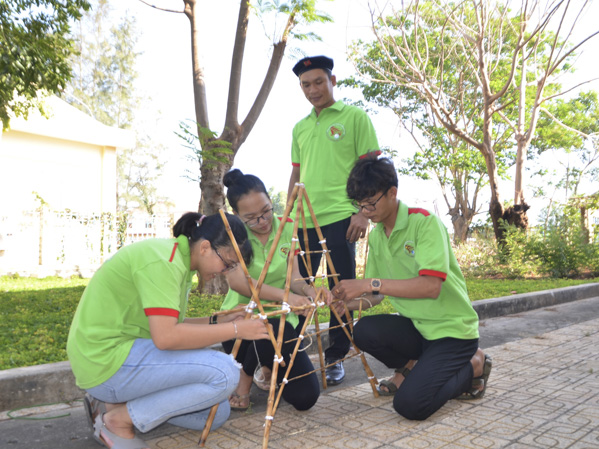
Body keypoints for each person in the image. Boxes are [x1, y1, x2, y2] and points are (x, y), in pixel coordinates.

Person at [67, 212, 270, 449]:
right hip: (105, 360)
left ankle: (113, 403)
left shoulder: (177, 259)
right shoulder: (164, 261)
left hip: (125, 353)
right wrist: (235, 329)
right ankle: (117, 421)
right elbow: (166, 338)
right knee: (225, 374)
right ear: (205, 247)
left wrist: (220, 322)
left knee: (216, 412)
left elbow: (170, 327)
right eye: (227, 263)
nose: (225, 272)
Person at [331, 157, 492, 421]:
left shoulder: (424, 223)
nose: (365, 211)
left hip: (453, 333)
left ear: (392, 193)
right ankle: (412, 365)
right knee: (362, 331)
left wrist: (367, 284)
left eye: (370, 203)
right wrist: (347, 304)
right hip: (418, 328)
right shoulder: (377, 235)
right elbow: (377, 294)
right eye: (360, 205)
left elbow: (431, 287)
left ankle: (474, 366)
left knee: (410, 406)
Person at [288, 55, 381, 385]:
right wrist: (288, 217)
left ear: (332, 81)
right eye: (305, 84)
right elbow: (296, 174)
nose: (312, 89)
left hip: (342, 217)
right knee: (297, 288)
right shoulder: (300, 127)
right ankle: (286, 354)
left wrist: (363, 213)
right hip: (303, 222)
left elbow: (372, 169)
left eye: (318, 82)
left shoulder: (355, 118)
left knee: (340, 290)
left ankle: (336, 355)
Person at [221, 169, 326, 411]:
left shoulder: (287, 226)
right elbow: (238, 283)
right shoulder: (233, 234)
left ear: (270, 200)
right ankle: (249, 374)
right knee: (267, 327)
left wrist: (309, 291)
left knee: (305, 396)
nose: (263, 221)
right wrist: (286, 296)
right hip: (239, 325)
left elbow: (296, 277)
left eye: (266, 211)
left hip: (280, 324)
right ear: (237, 215)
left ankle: (265, 367)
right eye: (252, 218)